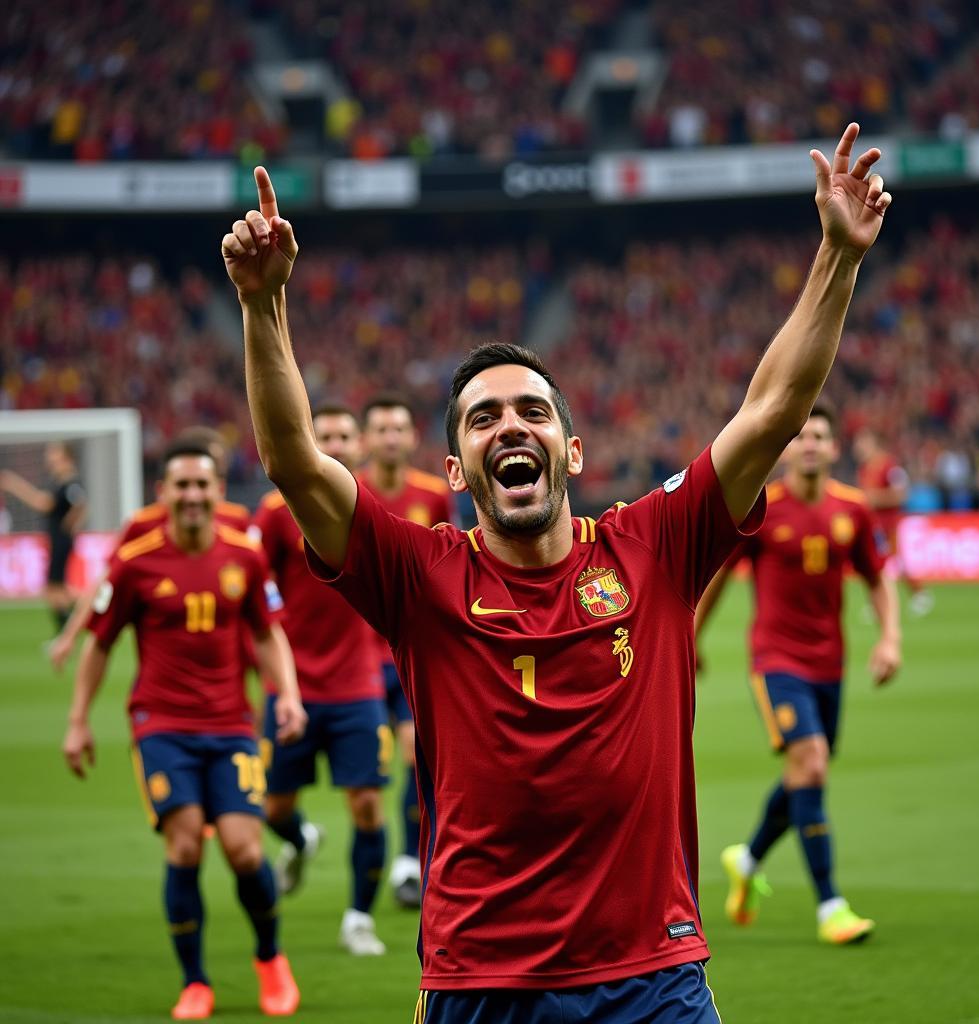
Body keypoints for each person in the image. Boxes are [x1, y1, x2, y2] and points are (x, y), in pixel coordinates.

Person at [222, 123, 892, 1021]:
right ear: (456, 470)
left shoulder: (653, 546)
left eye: (531, 410)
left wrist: (838, 261)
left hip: (654, 980)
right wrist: (263, 306)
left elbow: (772, 410)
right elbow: (295, 462)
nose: (510, 426)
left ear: (570, 449)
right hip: (478, 985)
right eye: (482, 417)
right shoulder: (418, 576)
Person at [62, 439, 306, 1020]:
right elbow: (99, 644)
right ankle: (195, 982)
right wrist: (77, 721)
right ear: (163, 492)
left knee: (247, 852)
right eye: (182, 485)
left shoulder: (243, 557)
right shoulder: (135, 561)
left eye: (203, 485)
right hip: (161, 724)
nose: (193, 495)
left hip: (230, 724)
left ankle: (271, 959)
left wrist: (289, 695)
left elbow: (269, 633)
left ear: (219, 491)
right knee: (186, 842)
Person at [695, 405, 901, 945]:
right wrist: (688, 635)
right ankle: (831, 904)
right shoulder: (764, 509)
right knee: (811, 764)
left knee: (803, 773)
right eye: (801, 436)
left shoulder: (853, 510)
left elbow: (878, 579)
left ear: (835, 449)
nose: (810, 444)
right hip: (775, 660)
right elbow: (717, 577)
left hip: (829, 663)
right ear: (787, 449)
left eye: (821, 437)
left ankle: (748, 857)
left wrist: (890, 638)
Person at [252, 402, 392, 956]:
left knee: (367, 806)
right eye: (323, 434)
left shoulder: (375, 511)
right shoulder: (271, 512)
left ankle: (358, 917)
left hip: (358, 685)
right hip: (293, 689)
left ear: (359, 446)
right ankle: (302, 838)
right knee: (274, 810)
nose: (333, 442)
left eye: (343, 434)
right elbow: (251, 599)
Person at [358, 393, 457, 908]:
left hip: (412, 655)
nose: (392, 437)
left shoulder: (433, 494)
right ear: (365, 439)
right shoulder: (351, 495)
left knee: (415, 758)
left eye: (400, 428)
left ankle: (405, 861)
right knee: (370, 777)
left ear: (412, 437)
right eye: (382, 428)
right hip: (356, 660)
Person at [49, 427, 250, 671]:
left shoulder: (237, 520)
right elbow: (104, 581)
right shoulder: (142, 524)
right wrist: (70, 634)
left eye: (217, 470)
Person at [1, 441, 87, 633]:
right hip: (59, 539)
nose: (50, 460)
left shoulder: (69, 481)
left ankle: (75, 622)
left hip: (61, 540)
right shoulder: (61, 481)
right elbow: (80, 505)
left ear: (66, 458)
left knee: (54, 589)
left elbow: (48, 504)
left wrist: (15, 485)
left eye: (54, 455)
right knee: (57, 588)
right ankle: (76, 620)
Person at [853, 427, 933, 615]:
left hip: (888, 525)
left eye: (862, 442)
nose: (859, 447)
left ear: (873, 443)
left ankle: (919, 593)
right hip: (872, 525)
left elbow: (901, 494)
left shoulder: (890, 466)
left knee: (892, 561)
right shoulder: (865, 469)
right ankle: (880, 601)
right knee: (876, 562)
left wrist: (875, 498)